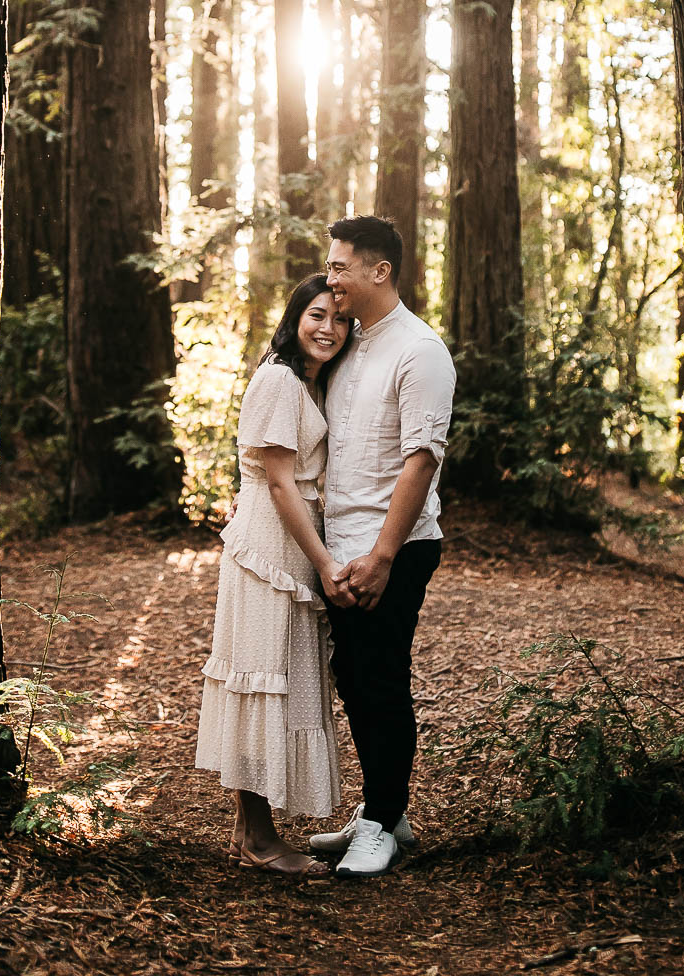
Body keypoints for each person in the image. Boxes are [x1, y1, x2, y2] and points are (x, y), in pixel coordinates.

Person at [195, 274, 356, 876]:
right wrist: (323, 562)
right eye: (317, 315)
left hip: (286, 535)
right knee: (266, 677)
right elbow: (282, 482)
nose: (329, 329)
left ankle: (249, 833)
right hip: (272, 543)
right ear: (295, 318)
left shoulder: (310, 384)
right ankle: (262, 839)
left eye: (340, 320)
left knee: (275, 675)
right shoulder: (279, 378)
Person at [312, 215, 456, 877]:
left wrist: (382, 556)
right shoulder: (349, 345)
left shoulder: (420, 351)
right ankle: (384, 811)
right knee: (355, 678)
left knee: (382, 679)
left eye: (341, 266)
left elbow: (420, 460)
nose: (330, 277)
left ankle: (380, 824)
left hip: (393, 548)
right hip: (339, 546)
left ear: (380, 271)